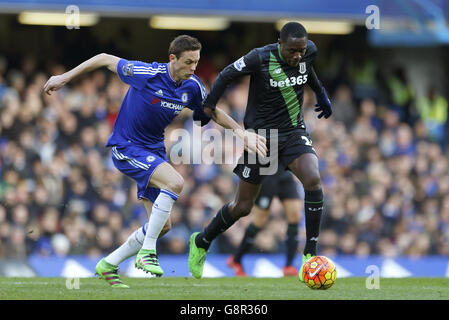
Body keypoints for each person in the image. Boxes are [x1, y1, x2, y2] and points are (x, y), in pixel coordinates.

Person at [44, 35, 267, 288]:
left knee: (162, 226)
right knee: (176, 182)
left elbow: (211, 110)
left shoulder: (192, 86)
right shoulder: (145, 73)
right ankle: (147, 252)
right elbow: (104, 58)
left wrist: (240, 132)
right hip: (126, 147)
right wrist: (64, 78)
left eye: (196, 61)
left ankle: (107, 264)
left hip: (154, 151)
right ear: (173, 59)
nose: (194, 67)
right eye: (189, 62)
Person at [188, 22, 332, 283]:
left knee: (313, 179)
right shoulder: (260, 57)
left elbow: (307, 69)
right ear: (280, 43)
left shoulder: (309, 51)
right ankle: (202, 240)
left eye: (300, 50)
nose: (297, 55)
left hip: (293, 133)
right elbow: (226, 74)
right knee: (242, 207)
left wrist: (321, 94)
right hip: (261, 138)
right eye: (292, 51)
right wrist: (209, 106)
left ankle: (309, 254)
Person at [227, 168, 301, 277]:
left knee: (295, 216)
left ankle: (289, 265)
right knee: (259, 220)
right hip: (267, 176)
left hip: (285, 175)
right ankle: (236, 260)